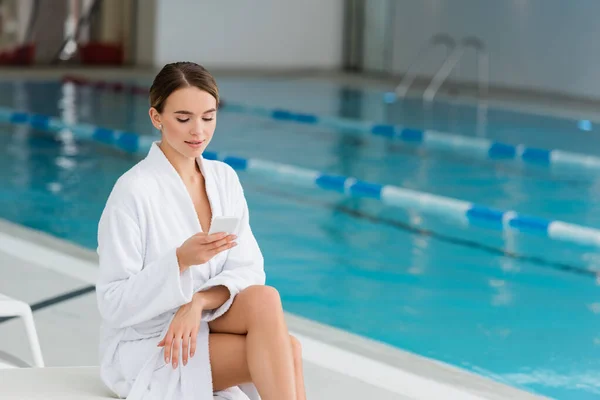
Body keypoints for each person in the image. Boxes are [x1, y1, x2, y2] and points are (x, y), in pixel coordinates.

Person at [96, 62, 306, 400]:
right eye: (183, 118)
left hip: (203, 321)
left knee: (266, 299)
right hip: (148, 341)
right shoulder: (133, 191)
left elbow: (249, 270)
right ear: (156, 118)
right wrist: (178, 261)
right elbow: (112, 303)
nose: (198, 131)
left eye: (208, 117)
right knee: (288, 349)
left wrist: (197, 302)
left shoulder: (223, 179)